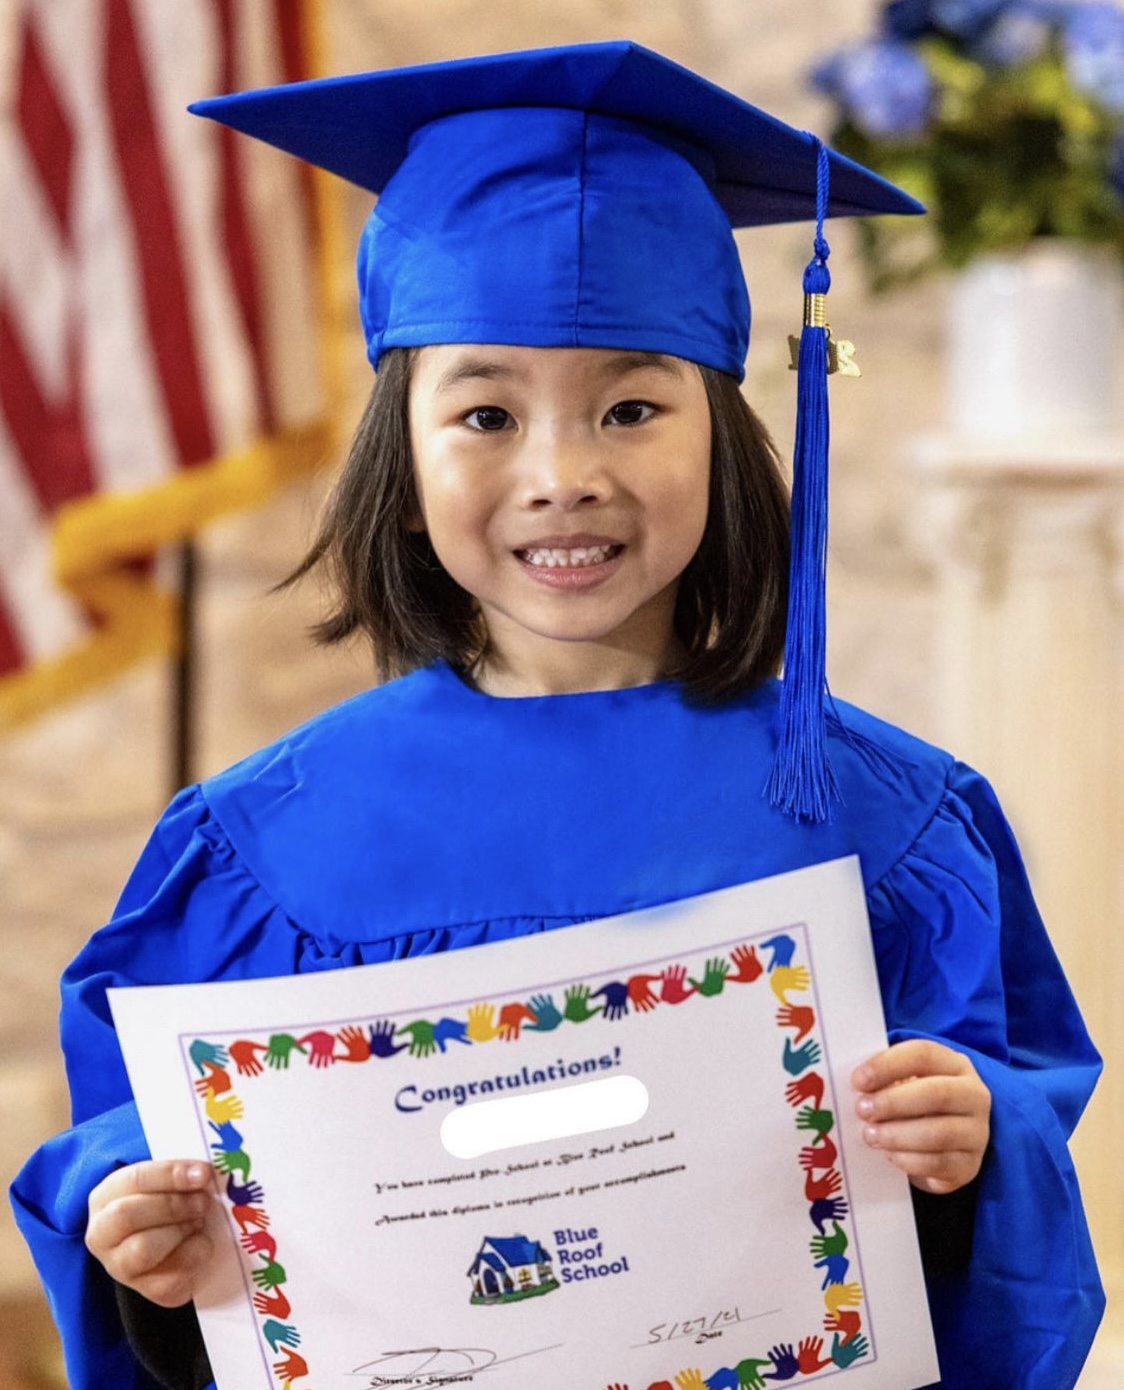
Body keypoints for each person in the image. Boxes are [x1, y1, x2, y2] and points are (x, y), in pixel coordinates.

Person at [10, 39, 1103, 1390]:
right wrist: (141, 1230)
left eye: (633, 406)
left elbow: (1013, 1199)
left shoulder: (889, 823)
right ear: (399, 460)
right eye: (483, 412)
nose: (562, 474)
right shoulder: (255, 854)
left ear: (727, 430)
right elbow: (139, 1169)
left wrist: (972, 1140)